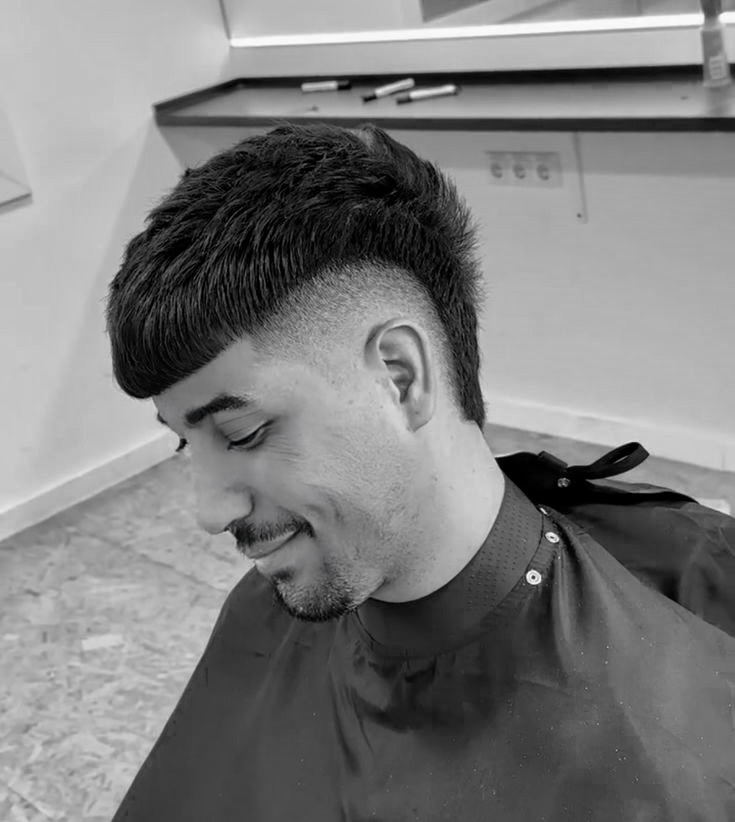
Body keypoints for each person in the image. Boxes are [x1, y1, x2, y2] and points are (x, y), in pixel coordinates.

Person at [105, 122, 735, 821]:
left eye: (242, 432)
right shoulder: (263, 615)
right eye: (183, 444)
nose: (207, 510)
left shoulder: (671, 722)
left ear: (399, 377)